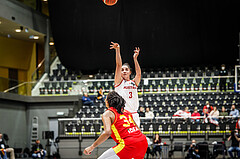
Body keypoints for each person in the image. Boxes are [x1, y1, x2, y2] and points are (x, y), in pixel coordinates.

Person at [84, 91, 148, 159]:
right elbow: (138, 129)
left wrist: (92, 146)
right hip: (143, 141)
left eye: (106, 99)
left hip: (129, 144)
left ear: (108, 101)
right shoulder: (126, 112)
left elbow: (107, 132)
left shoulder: (108, 113)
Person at [110, 42, 142, 127]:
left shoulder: (133, 83)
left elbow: (138, 74)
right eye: (122, 70)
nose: (124, 71)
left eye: (126, 69)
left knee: (137, 139)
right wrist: (118, 50)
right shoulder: (118, 82)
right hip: (123, 114)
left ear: (130, 72)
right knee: (124, 139)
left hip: (134, 114)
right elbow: (118, 65)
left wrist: (135, 59)